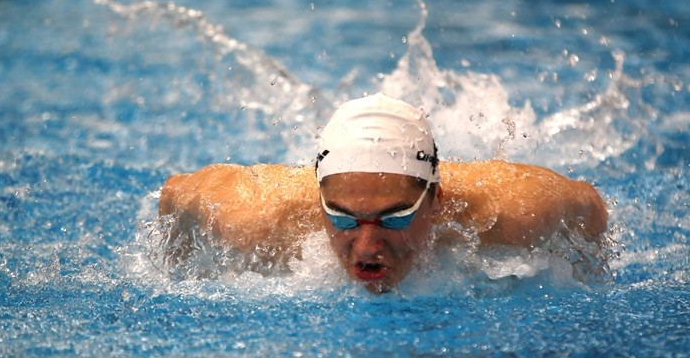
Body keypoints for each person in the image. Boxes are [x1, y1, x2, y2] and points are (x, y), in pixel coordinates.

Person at [159, 93, 608, 292]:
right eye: (342, 218)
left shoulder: (512, 213)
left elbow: (589, 206)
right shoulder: (254, 216)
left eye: (395, 217)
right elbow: (175, 195)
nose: (368, 246)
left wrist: (592, 281)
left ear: (439, 201)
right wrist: (174, 275)